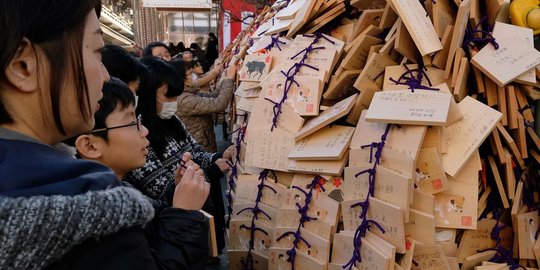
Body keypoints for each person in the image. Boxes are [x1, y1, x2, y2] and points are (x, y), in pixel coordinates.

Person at [0, 1, 202, 269]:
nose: (106, 75)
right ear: (23, 65)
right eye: (97, 51)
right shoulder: (93, 208)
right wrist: (184, 216)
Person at [74, 77, 210, 269]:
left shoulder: (120, 190)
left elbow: (154, 220)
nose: (144, 131)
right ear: (89, 145)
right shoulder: (97, 220)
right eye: (131, 122)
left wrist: (177, 191)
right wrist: (184, 213)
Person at [123, 57, 234, 257]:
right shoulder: (140, 137)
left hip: (189, 218)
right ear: (147, 96)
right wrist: (213, 170)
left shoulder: (172, 121)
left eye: (176, 96)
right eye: (168, 97)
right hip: (170, 228)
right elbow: (166, 191)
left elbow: (195, 150)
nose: (174, 104)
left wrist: (216, 157)